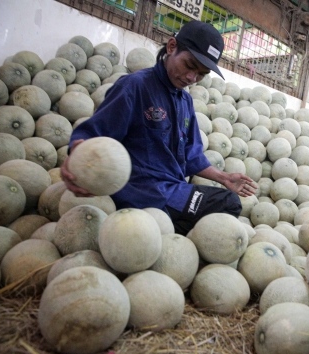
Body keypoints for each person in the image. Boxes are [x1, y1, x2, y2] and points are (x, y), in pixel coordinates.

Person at [61, 20, 257, 235]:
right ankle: (144, 229)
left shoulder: (185, 101)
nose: (192, 78)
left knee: (223, 203)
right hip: (140, 191)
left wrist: (224, 178)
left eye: (201, 74)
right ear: (172, 47)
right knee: (228, 202)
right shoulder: (135, 86)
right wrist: (76, 158)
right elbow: (93, 135)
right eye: (190, 65)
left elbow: (192, 157)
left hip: (171, 189)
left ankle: (157, 232)